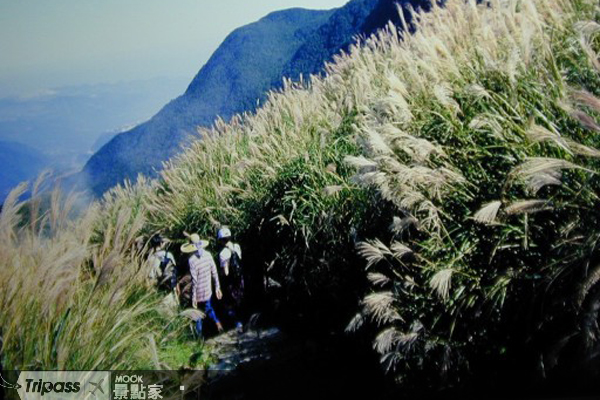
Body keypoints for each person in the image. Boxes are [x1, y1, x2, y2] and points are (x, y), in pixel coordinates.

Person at [181, 238, 223, 337]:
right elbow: (214, 272)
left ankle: (199, 337)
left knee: (197, 314)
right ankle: (217, 323)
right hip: (208, 290)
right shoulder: (208, 255)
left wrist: (194, 297)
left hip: (198, 292)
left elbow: (194, 281)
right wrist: (218, 287)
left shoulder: (191, 260)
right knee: (209, 308)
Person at [217, 227, 245, 333]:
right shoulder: (237, 247)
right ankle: (242, 321)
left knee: (230, 304)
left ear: (221, 239)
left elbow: (226, 272)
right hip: (240, 279)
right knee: (240, 301)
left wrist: (220, 273)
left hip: (231, 282)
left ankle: (237, 324)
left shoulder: (223, 253)